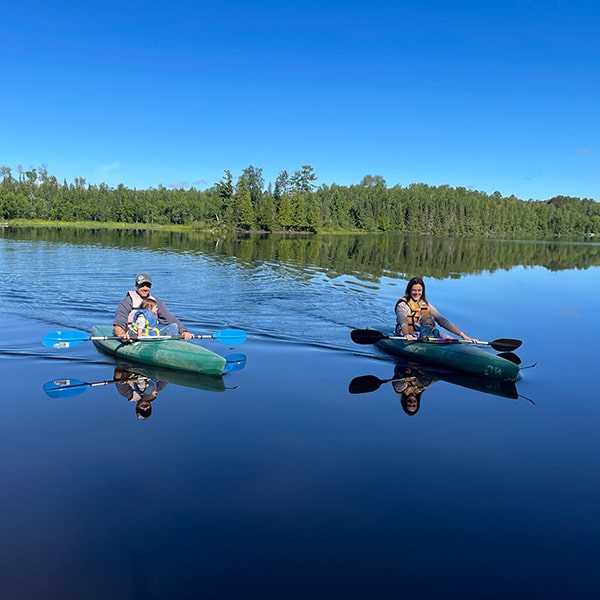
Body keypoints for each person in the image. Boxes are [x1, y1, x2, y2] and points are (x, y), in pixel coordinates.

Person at [113, 273, 194, 343]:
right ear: (136, 286)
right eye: (142, 285)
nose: (145, 288)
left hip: (150, 335)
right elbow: (119, 323)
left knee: (174, 326)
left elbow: (170, 318)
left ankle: (171, 346)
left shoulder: (156, 302)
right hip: (133, 335)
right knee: (127, 335)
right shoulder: (127, 301)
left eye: (147, 285)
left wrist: (184, 331)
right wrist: (122, 335)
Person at [395, 276, 478, 342]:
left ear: (422, 291)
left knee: (437, 332)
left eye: (419, 290)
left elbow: (441, 320)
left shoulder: (426, 305)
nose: (417, 293)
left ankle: (448, 340)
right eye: (414, 290)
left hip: (424, 334)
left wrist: (462, 335)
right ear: (409, 291)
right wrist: (406, 334)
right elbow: (403, 322)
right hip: (407, 336)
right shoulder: (402, 305)